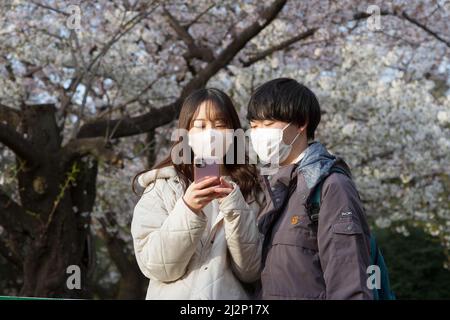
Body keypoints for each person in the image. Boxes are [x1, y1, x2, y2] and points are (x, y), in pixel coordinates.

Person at [247, 78, 373, 299]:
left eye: (267, 125)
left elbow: (349, 277)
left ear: (301, 123)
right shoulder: (268, 188)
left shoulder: (330, 186)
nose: (258, 133)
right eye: (253, 126)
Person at [131, 88, 263, 299]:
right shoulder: (162, 187)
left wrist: (234, 206)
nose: (210, 134)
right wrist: (188, 209)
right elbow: (155, 266)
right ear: (186, 134)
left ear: (233, 132)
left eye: (220, 125)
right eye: (200, 126)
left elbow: (251, 271)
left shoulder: (253, 191)